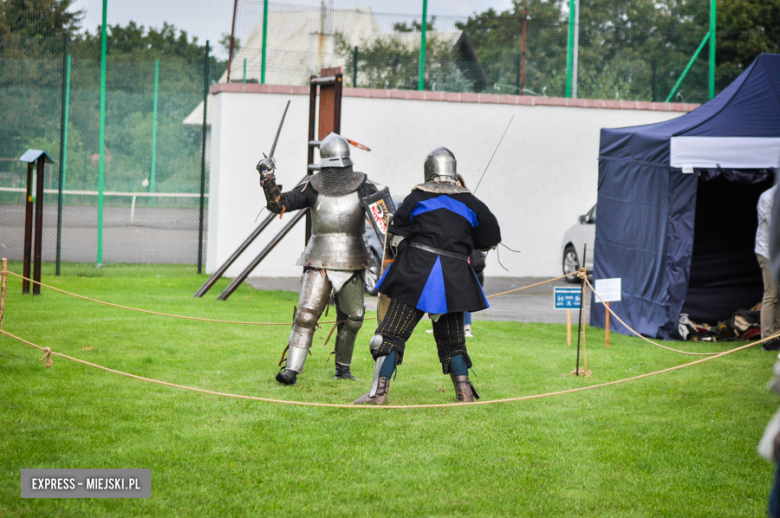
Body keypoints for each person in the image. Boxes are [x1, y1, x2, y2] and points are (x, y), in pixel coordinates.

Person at [352, 147, 501, 405]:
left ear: (429, 171)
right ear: (452, 172)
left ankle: (378, 394)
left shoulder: (417, 197)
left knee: (389, 334)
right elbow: (490, 238)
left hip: (416, 274)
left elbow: (396, 234)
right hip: (454, 278)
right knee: (453, 340)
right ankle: (464, 394)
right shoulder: (472, 202)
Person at [257, 132, 377, 385]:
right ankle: (291, 370)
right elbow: (279, 204)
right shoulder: (313, 186)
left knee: (354, 318)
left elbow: (386, 221)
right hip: (319, 259)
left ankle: (342, 369)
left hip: (354, 260)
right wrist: (268, 179)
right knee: (307, 315)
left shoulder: (365, 186)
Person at [756, 182, 780, 350]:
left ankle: (777, 335)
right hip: (767, 252)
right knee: (771, 294)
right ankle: (767, 339)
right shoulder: (769, 197)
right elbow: (775, 228)